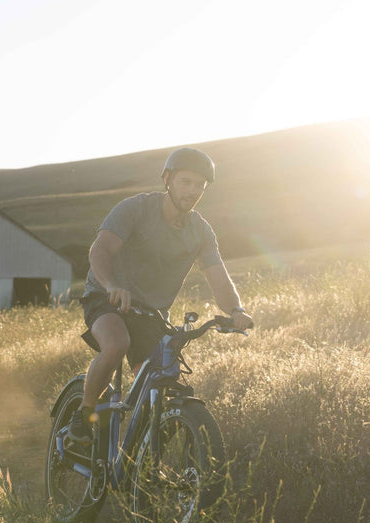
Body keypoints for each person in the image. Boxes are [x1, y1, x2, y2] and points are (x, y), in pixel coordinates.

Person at [67, 146, 254, 448]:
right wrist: (112, 284)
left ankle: (138, 459)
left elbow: (218, 276)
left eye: (200, 186)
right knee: (116, 344)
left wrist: (236, 309)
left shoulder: (201, 231)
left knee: (165, 381)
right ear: (167, 179)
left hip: (151, 313)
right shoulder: (136, 209)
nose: (192, 191)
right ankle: (84, 413)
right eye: (186, 182)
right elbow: (100, 250)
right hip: (107, 297)